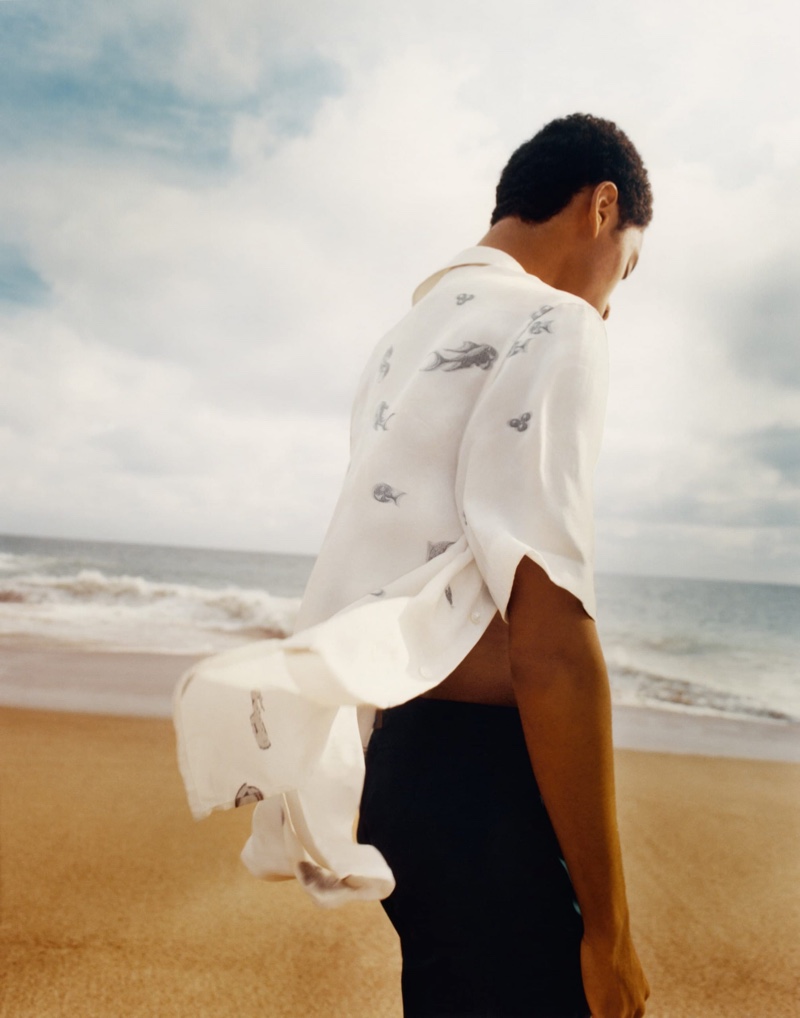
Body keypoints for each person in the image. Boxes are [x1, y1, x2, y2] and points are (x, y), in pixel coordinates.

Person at [174, 112, 652, 1018]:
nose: (612, 303)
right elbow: (547, 632)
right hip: (489, 792)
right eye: (624, 269)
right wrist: (612, 931)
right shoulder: (557, 323)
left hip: (402, 773)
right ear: (601, 208)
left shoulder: (402, 340)